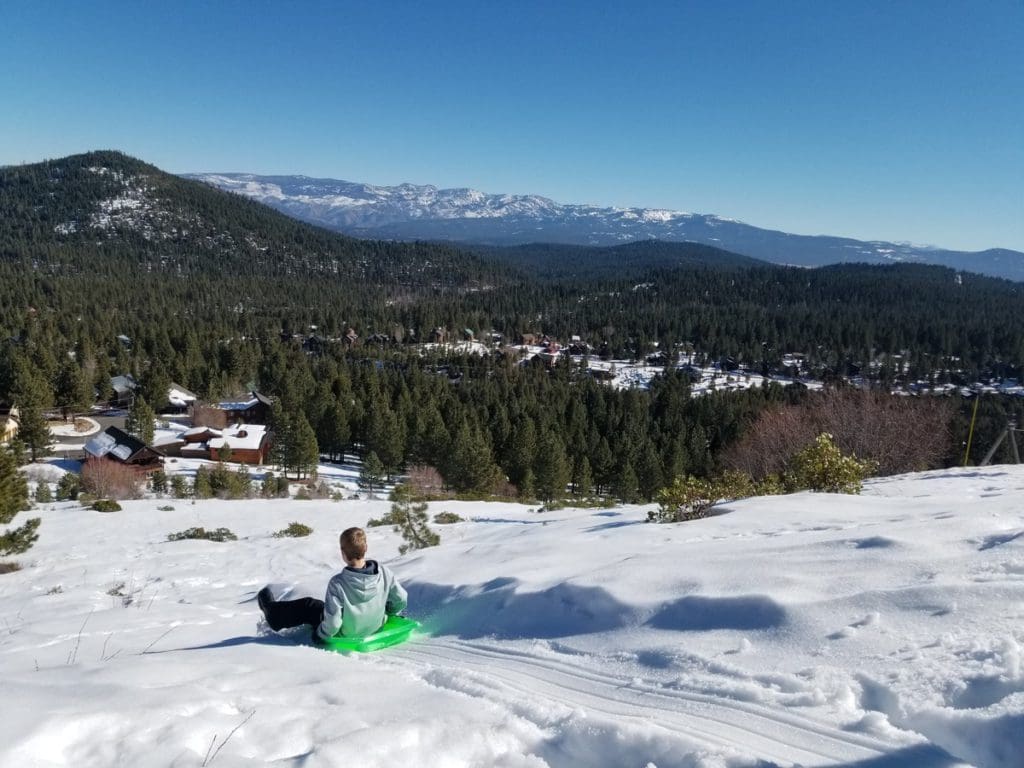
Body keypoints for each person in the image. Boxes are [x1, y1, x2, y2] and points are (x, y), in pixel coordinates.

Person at [257, 526, 407, 642]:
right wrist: (388, 612)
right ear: (366, 548)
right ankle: (274, 610)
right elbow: (400, 600)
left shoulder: (338, 583)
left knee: (309, 606)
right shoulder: (384, 573)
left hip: (345, 633)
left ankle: (272, 613)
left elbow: (334, 623)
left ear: (343, 553)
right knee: (317, 606)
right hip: (375, 626)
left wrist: (321, 635)